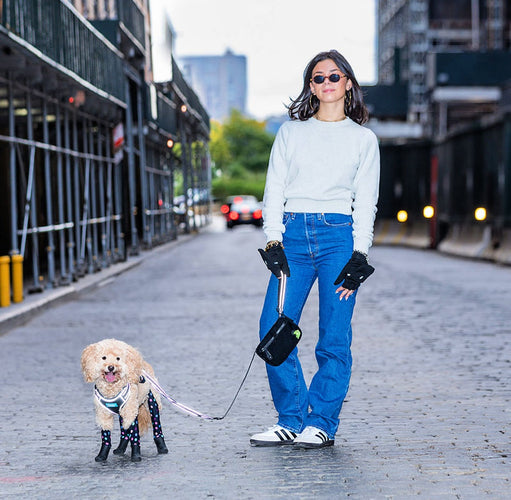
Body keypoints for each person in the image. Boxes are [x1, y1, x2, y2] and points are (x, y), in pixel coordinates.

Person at [251, 50, 380, 449]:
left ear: (348, 83)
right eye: (319, 78)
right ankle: (290, 418)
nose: (327, 84)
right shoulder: (291, 133)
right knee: (274, 328)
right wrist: (273, 239)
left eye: (334, 77)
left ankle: (321, 420)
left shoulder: (363, 140)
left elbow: (367, 201)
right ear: (311, 86)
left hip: (338, 239)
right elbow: (274, 190)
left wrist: (360, 255)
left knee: (334, 338)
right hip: (292, 236)